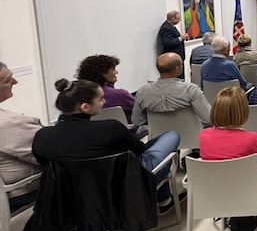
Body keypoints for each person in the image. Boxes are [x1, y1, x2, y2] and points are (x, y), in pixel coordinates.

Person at [33, 78, 182, 211]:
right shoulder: (110, 128)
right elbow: (140, 150)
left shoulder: (42, 137)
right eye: (101, 99)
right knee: (170, 136)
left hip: (76, 197)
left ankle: (163, 199)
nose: (104, 103)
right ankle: (164, 200)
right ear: (85, 107)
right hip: (125, 189)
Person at [199, 87, 257, 170]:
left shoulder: (203, 135)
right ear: (244, 111)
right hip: (247, 181)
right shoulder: (253, 139)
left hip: (211, 181)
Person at [0, 61, 42, 210]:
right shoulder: (9, 123)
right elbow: (51, 153)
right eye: (7, 80)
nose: (15, 82)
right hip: (22, 194)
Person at [131, 53, 212, 128]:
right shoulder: (191, 90)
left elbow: (136, 121)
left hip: (160, 140)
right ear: (177, 69)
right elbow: (208, 119)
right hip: (192, 140)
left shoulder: (143, 92)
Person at [76, 55, 135, 123]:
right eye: (113, 69)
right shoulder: (120, 95)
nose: (116, 72)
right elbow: (140, 110)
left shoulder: (77, 96)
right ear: (103, 73)